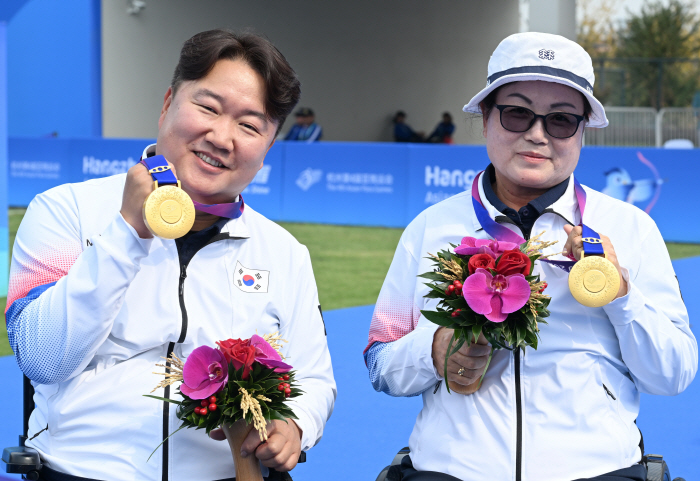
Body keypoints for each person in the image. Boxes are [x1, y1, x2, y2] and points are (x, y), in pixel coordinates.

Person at [5, 30, 336, 481]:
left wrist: (296, 424)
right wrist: (128, 231)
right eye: (208, 107)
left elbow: (314, 379)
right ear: (167, 103)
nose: (222, 137)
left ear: (268, 147)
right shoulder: (64, 210)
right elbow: (41, 359)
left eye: (250, 125)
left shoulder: (284, 252)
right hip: (82, 471)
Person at [364, 32, 697, 481]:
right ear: (485, 117)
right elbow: (380, 362)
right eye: (517, 113)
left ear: (583, 131)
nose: (537, 135)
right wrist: (434, 348)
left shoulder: (631, 228)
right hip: (451, 472)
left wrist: (620, 294)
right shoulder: (430, 227)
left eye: (561, 120)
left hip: (600, 471)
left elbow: (673, 374)